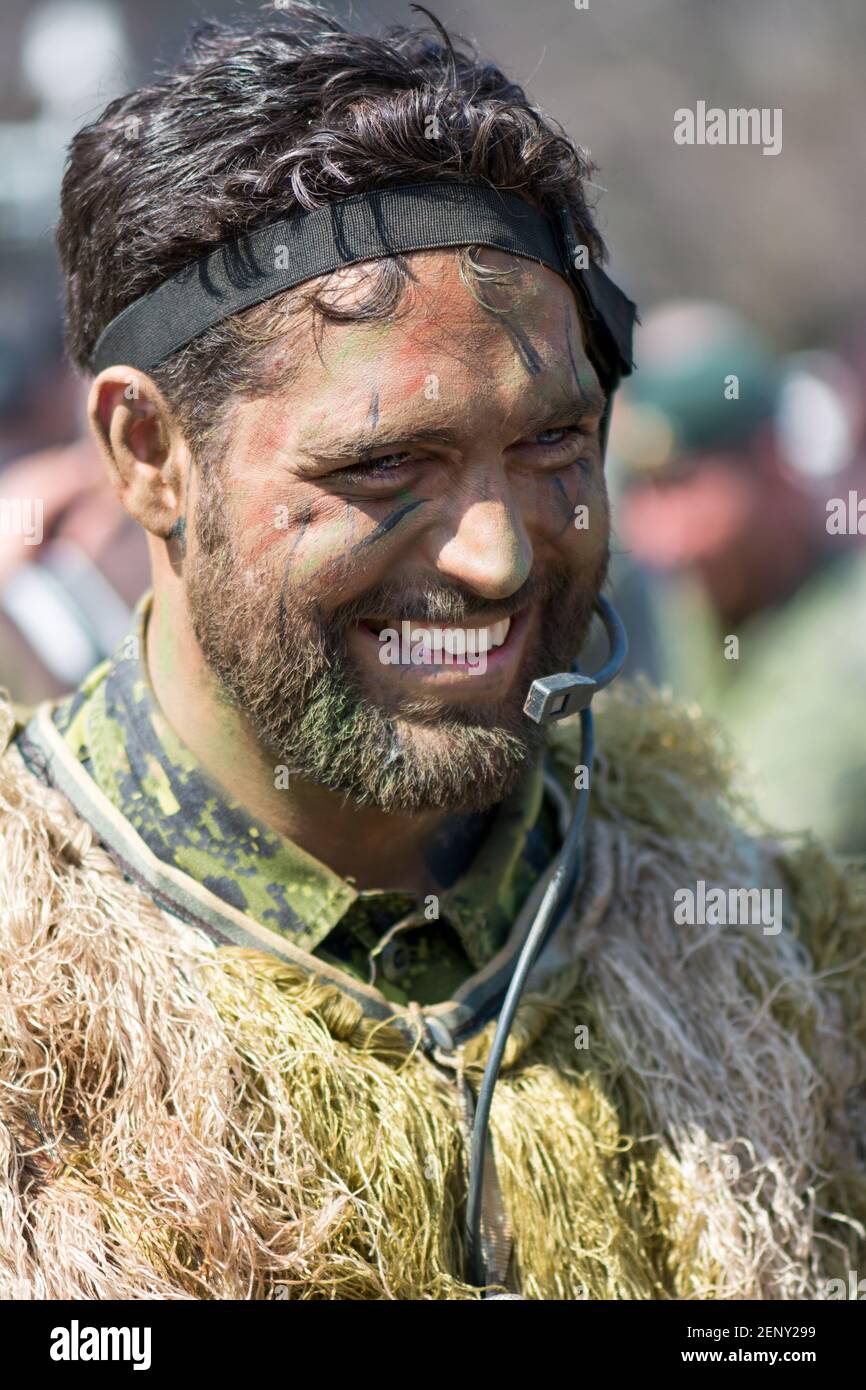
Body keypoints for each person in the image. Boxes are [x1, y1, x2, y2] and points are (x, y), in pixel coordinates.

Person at [1, 5, 863, 1301]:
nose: (498, 558)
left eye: (553, 449)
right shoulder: (30, 1014)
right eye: (385, 463)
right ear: (145, 453)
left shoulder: (783, 972)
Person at [614, 301, 866, 854]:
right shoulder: (666, 605)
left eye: (685, 486)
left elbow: (769, 843)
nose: (663, 538)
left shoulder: (850, 632)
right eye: (644, 491)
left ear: (773, 460)